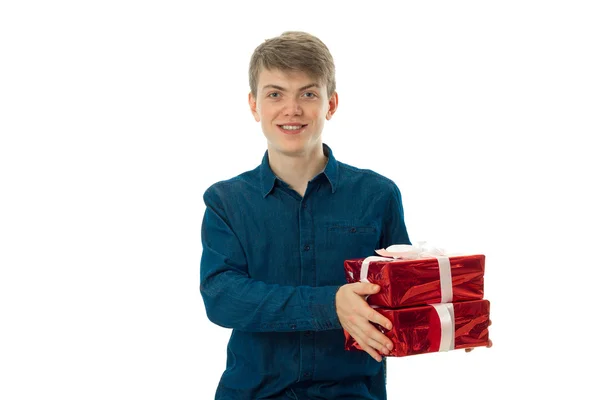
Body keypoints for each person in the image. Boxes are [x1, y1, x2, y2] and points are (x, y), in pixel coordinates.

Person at [199, 31, 412, 400]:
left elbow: (401, 294)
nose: (292, 109)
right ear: (254, 105)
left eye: (308, 94)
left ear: (331, 104)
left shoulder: (378, 195)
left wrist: (451, 322)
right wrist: (331, 304)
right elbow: (223, 296)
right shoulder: (226, 202)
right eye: (275, 94)